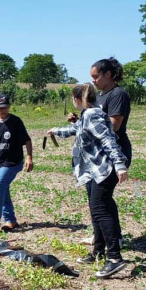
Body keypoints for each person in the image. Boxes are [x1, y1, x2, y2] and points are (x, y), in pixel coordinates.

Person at [49, 83, 129, 279]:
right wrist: (56, 131)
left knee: (101, 210)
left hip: (104, 170)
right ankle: (99, 251)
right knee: (96, 210)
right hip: (94, 172)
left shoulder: (92, 114)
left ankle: (115, 258)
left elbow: (108, 139)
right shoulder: (88, 114)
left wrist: (119, 164)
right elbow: (77, 130)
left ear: (78, 99)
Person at [0, 94, 33, 231]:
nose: (2, 110)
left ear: (9, 106)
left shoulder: (16, 121)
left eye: (4, 107)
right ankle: (11, 220)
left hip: (12, 162)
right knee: (3, 190)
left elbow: (27, 140)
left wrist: (29, 157)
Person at [83, 57, 132, 166]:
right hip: (99, 151)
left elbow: (113, 126)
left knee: (101, 184)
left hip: (114, 152)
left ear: (108, 74)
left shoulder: (118, 94)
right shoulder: (98, 96)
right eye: (92, 77)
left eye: (96, 77)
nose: (93, 80)